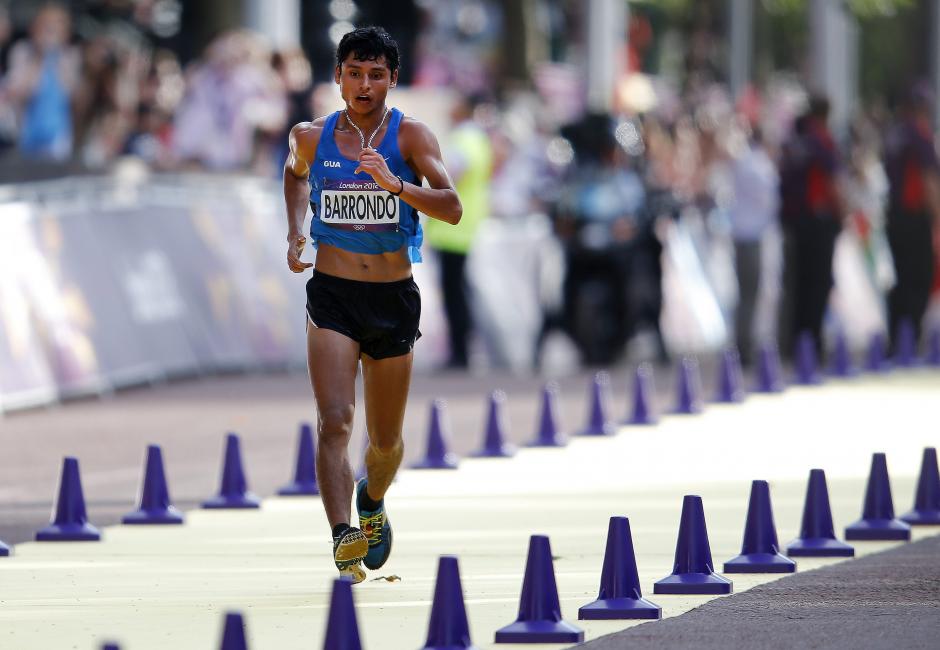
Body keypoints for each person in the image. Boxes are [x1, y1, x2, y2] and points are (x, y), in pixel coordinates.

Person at [282, 27, 461, 583]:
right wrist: (295, 232)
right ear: (337, 77)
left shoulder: (411, 138)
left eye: (376, 74)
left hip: (392, 298)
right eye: (354, 73)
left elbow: (453, 207)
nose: (364, 85)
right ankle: (342, 534)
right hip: (333, 294)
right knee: (335, 420)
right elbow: (292, 175)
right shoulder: (311, 137)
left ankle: (372, 499)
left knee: (384, 443)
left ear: (392, 79)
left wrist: (396, 186)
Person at [424, 93, 492, 370]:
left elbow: (450, 176)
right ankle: (461, 350)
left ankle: (460, 353)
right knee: (458, 292)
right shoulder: (479, 139)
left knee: (455, 294)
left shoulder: (464, 140)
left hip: (452, 229)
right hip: (462, 227)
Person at [777, 96, 844, 358]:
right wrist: (842, 214)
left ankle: (793, 344)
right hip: (817, 221)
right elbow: (833, 182)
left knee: (796, 284)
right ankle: (811, 344)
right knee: (818, 284)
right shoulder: (821, 140)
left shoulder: (794, 140)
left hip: (793, 222)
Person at [883, 86, 940, 349]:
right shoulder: (920, 133)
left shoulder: (895, 133)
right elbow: (928, 181)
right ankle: (909, 341)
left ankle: (896, 339)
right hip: (914, 215)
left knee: (901, 278)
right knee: (918, 278)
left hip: (895, 215)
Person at [728, 126, 779, 366]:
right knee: (751, 293)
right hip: (752, 235)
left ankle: (742, 342)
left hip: (742, 233)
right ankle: (744, 345)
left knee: (746, 293)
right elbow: (769, 200)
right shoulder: (759, 165)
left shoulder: (744, 161)